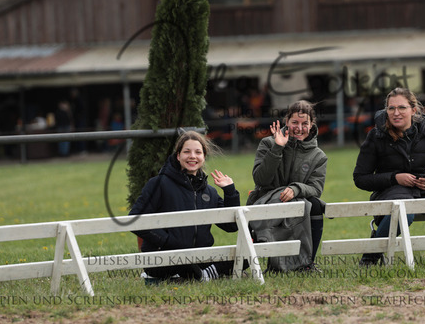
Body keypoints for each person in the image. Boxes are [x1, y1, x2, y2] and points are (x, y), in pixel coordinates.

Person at [353, 87, 425, 265]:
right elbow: (360, 178)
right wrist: (394, 178)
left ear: (413, 110)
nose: (396, 113)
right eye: (391, 108)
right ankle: (370, 258)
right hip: (390, 194)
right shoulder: (376, 135)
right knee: (403, 212)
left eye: (402, 107)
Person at [130, 131, 241, 284]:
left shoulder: (210, 192)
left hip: (201, 259)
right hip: (166, 259)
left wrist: (230, 192)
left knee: (246, 255)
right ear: (178, 156)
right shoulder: (158, 184)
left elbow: (231, 226)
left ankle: (202, 275)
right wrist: (168, 242)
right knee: (182, 258)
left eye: (198, 152)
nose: (192, 156)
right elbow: (135, 220)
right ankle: (205, 275)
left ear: (204, 157)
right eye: (187, 152)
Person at [247, 100, 328, 271]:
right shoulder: (268, 143)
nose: (299, 128)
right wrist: (277, 148)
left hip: (298, 202)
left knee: (314, 204)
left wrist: (296, 189)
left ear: (311, 124)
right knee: (300, 205)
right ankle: (274, 263)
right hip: (267, 202)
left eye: (305, 123)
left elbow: (316, 188)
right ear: (287, 121)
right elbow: (261, 180)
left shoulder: (319, 156)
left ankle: (307, 264)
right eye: (295, 122)